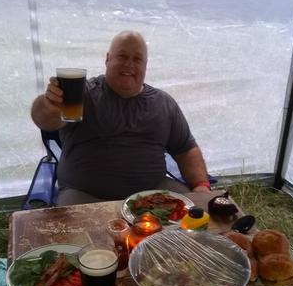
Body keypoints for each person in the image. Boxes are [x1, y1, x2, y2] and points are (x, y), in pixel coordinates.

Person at [30, 30, 211, 206]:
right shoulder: (81, 94)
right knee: (78, 235)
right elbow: (45, 120)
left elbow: (185, 149)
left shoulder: (163, 103)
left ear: (145, 66)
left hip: (153, 195)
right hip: (85, 196)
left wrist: (201, 185)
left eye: (137, 59)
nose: (129, 65)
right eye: (122, 56)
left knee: (196, 216)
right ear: (108, 59)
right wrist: (49, 104)